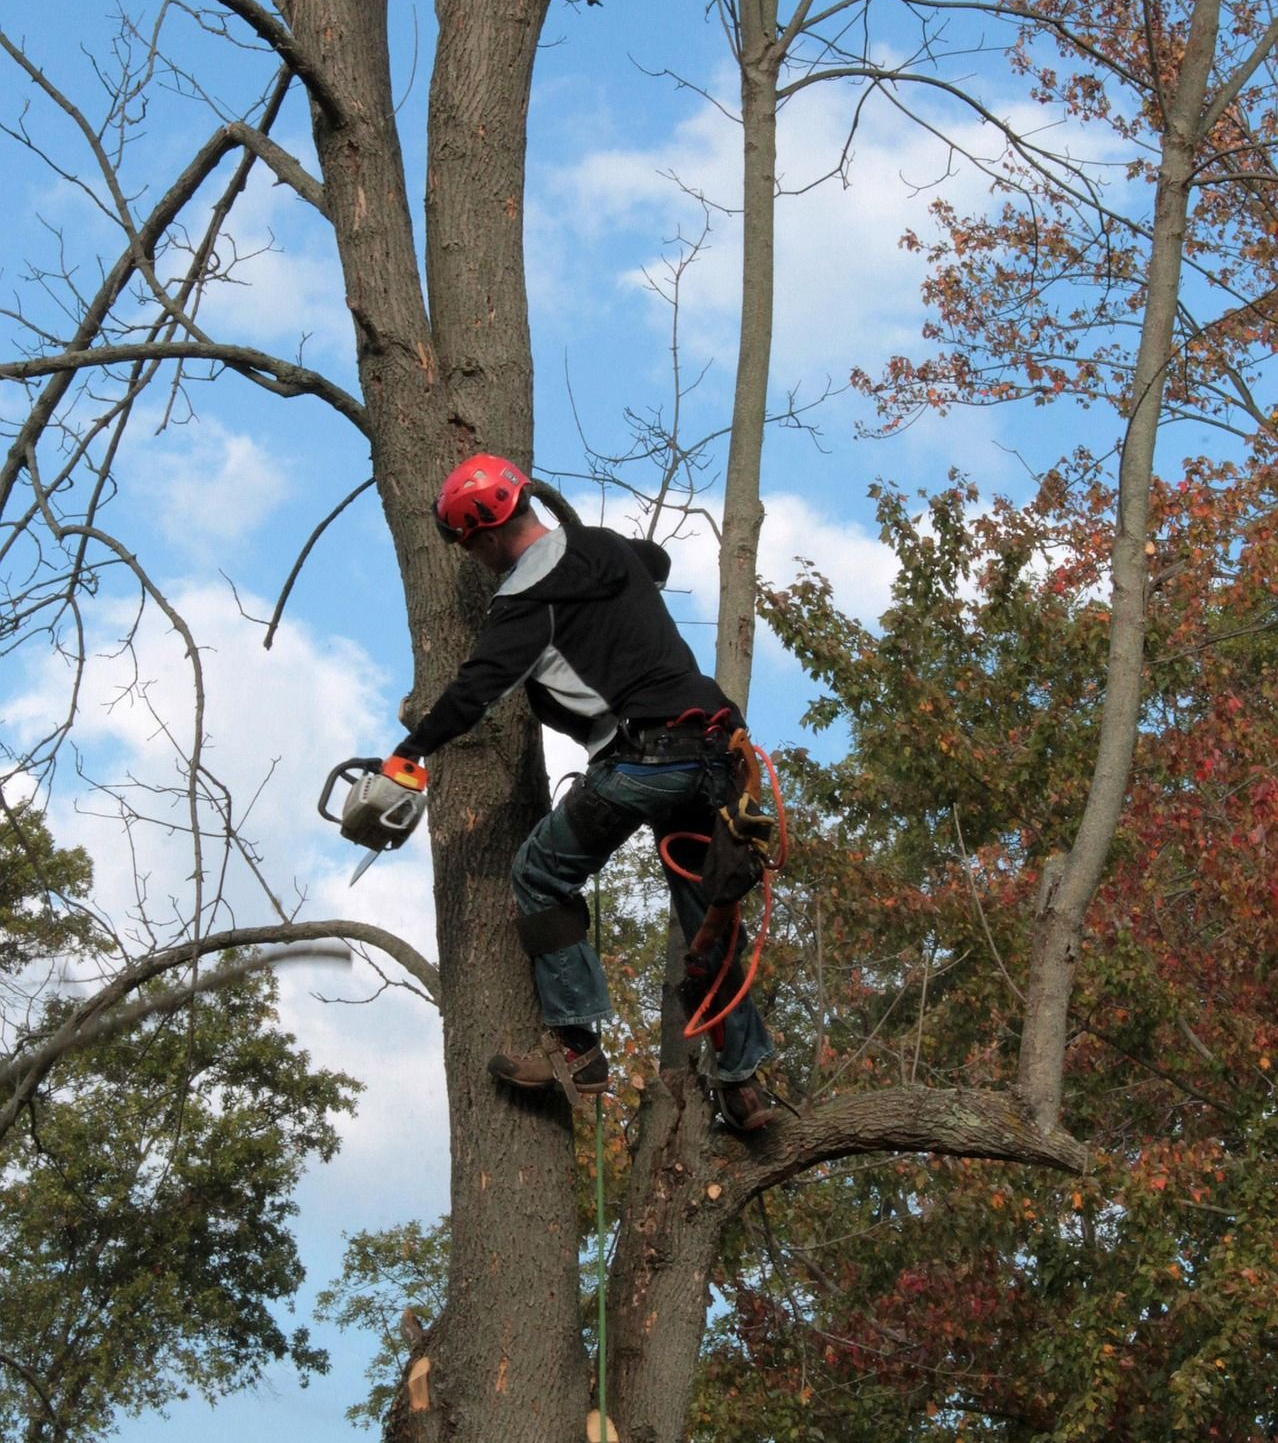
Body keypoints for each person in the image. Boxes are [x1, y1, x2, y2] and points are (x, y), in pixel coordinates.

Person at [393, 453, 774, 1132]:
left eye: (471, 547)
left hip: (644, 760)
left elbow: (474, 691)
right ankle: (744, 1086)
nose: (475, 559)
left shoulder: (525, 604)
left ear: (482, 536)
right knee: (704, 915)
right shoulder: (604, 549)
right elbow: (652, 561)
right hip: (718, 753)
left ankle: (576, 1050)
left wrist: (409, 752)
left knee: (538, 874)